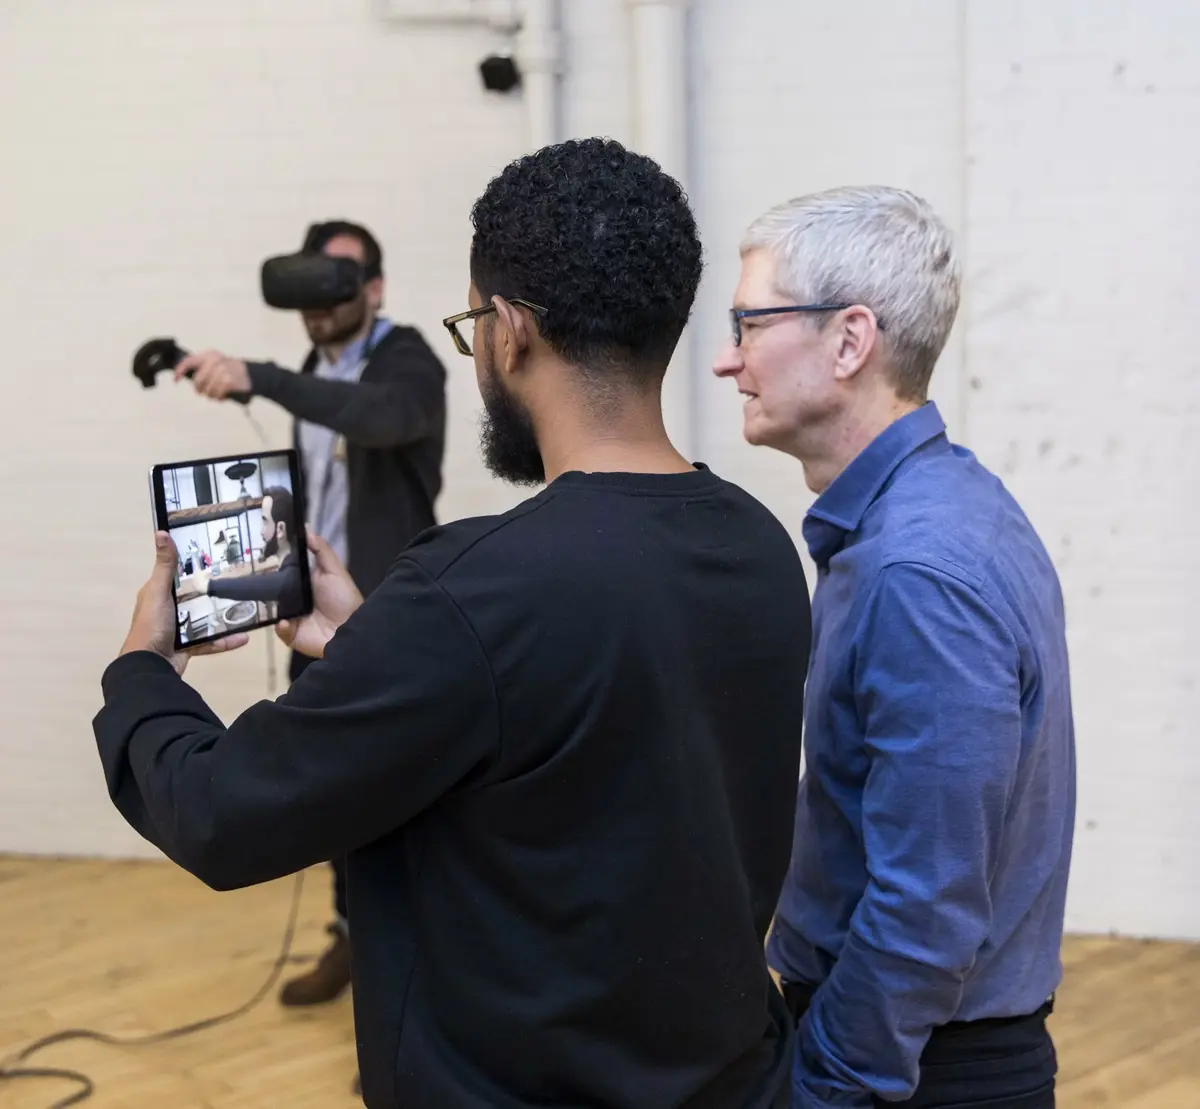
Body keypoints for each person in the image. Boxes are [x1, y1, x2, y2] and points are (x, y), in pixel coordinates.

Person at [94, 138, 812, 1109]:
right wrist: (366, 649)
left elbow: (222, 813)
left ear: (508, 329)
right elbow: (574, 763)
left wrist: (143, 665)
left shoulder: (471, 593)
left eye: (471, 325)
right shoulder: (760, 546)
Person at [713, 185, 1076, 1109]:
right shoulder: (939, 512)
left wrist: (825, 1088)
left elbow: (926, 906)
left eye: (750, 323)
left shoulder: (918, 570)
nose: (728, 360)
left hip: (918, 1072)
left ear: (849, 340)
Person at [174, 220, 448, 1014]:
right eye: (308, 285)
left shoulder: (407, 359)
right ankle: (352, 936)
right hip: (313, 618)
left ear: (374, 288)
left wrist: (260, 376)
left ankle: (410, 994)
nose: (319, 303)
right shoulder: (311, 368)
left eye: (338, 283)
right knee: (333, 798)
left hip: (386, 619)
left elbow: (384, 418)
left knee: (397, 805)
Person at [190, 486, 306, 619]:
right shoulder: (295, 562)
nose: (261, 531)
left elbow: (258, 585)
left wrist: (208, 585)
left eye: (265, 521)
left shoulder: (293, 576)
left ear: (280, 529)